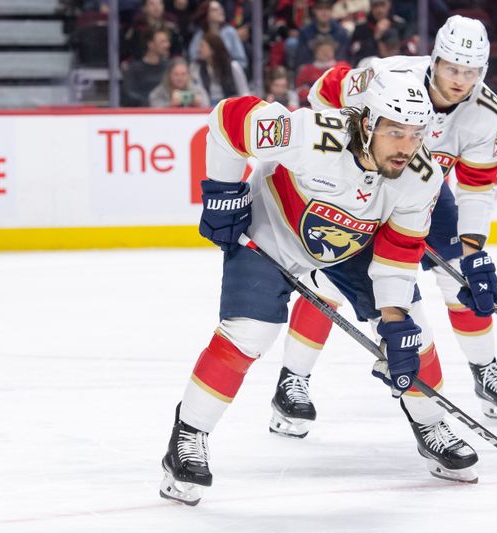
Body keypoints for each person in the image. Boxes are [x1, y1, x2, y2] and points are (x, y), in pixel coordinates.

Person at [159, 70, 480, 506]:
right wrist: (223, 190)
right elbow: (228, 119)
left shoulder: (421, 176)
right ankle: (188, 435)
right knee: (249, 333)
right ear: (367, 123)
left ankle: (431, 423)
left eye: (416, 133)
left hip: (351, 247)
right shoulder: (312, 135)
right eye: (396, 131)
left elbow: (399, 252)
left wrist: (393, 319)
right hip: (270, 233)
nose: (407, 146)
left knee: (413, 335)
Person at [269, 16, 497, 444]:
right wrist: (344, 156)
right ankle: (291, 381)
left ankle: (485, 370)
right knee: (331, 279)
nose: (459, 80)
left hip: (419, 192)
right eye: (451, 68)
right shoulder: (389, 75)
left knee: (460, 275)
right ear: (435, 59)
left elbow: (478, 186)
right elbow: (324, 92)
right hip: (360, 184)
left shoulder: (487, 112)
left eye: (470, 71)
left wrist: (474, 249)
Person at [190, 33, 249, 106]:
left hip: (229, 106)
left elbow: (244, 91)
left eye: (202, 46)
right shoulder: (196, 67)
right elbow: (197, 90)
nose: (199, 49)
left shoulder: (233, 66)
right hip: (207, 106)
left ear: (212, 49)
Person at [189, 0, 248, 70]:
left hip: (228, 74)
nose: (220, 11)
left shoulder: (230, 32)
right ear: (206, 14)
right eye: (214, 10)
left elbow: (242, 61)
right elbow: (193, 59)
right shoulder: (199, 36)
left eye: (220, 8)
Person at [121, 28, 171, 107]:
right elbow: (128, 95)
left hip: (168, 113)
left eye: (167, 41)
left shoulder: (169, 68)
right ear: (150, 44)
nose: (167, 45)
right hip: (142, 114)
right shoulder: (134, 69)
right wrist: (152, 102)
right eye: (162, 42)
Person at [295, 35, 350, 106]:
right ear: (315, 52)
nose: (325, 53)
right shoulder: (306, 70)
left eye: (328, 50)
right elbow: (300, 91)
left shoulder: (342, 66)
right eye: (322, 50)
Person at [348, 0, 406, 66]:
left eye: (382, 5)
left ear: (389, 5)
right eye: (375, 6)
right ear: (370, 7)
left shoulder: (399, 25)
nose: (379, 10)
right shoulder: (361, 28)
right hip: (371, 66)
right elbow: (355, 55)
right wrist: (376, 37)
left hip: (397, 64)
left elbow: (407, 51)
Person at [295, 0, 350, 69]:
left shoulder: (341, 32)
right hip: (312, 70)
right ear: (314, 10)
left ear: (332, 10)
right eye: (320, 8)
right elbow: (302, 58)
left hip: (334, 70)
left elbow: (343, 57)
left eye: (327, 9)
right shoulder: (305, 32)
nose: (324, 13)